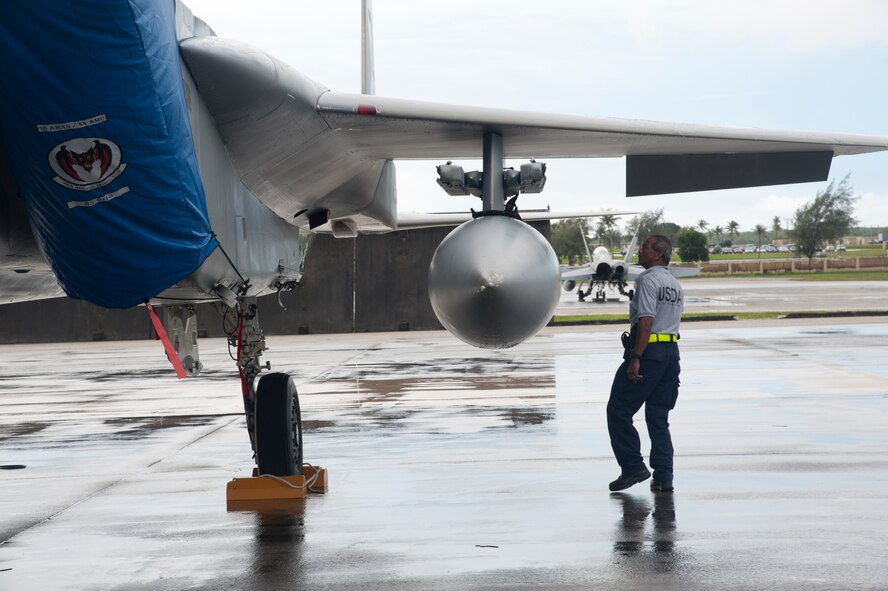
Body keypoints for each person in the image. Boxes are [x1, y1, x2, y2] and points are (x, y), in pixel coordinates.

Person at [606, 234, 683, 492]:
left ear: (658, 254)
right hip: (671, 352)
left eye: (646, 247)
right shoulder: (673, 283)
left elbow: (647, 321)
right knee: (657, 416)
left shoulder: (648, 281)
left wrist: (636, 357)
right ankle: (663, 476)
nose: (640, 250)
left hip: (650, 352)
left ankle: (633, 467)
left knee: (618, 411)